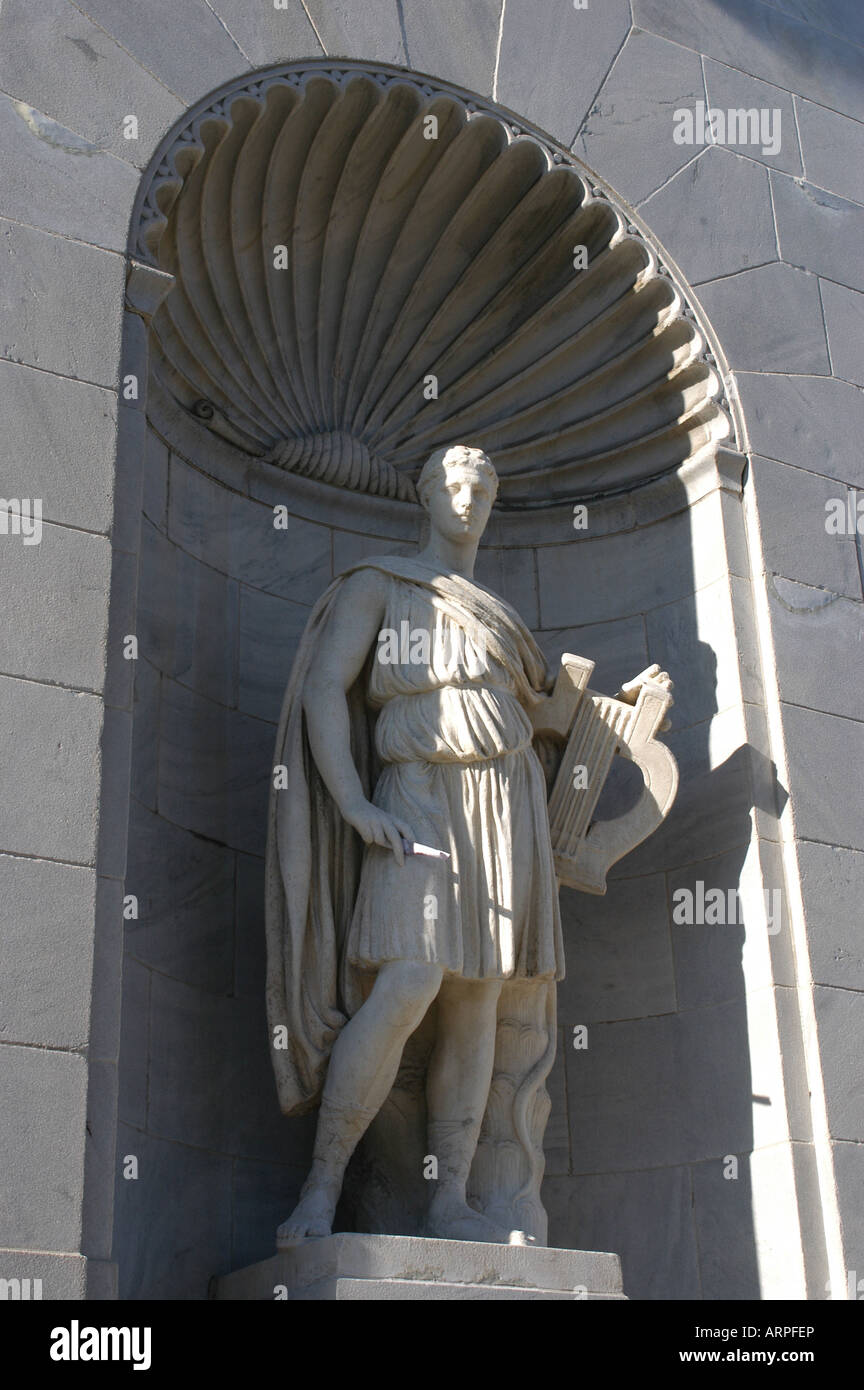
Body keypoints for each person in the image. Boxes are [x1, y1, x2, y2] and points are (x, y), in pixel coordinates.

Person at [266, 443, 565, 1245]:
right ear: (427, 497)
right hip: (416, 794)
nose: (468, 500)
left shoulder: (497, 617)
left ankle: (449, 1201)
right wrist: (355, 803)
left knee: (476, 1001)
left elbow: (537, 718)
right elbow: (327, 688)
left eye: (483, 488)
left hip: (504, 804)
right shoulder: (382, 583)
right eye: (455, 485)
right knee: (408, 981)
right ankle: (321, 1190)